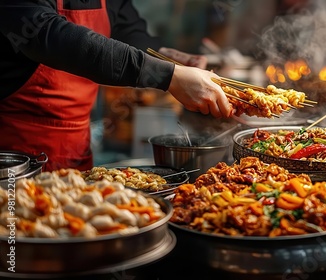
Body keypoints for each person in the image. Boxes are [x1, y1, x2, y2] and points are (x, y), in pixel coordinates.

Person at [0, 0, 235, 171]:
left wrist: (169, 59)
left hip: (77, 152)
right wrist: (170, 76)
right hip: (14, 159)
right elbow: (56, 38)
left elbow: (128, 32)